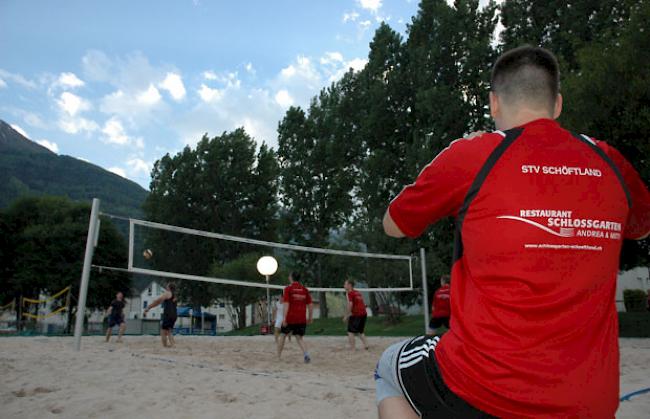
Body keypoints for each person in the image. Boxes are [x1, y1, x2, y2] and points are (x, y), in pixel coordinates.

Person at [376, 45, 650, 418]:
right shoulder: (608, 159)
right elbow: (640, 227)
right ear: (557, 105)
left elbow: (393, 224)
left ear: (494, 104)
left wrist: (451, 154)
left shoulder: (474, 154)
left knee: (388, 369)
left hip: (484, 389)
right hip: (590, 401)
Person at [276, 271, 313, 363]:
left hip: (290, 317)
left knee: (283, 335)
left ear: (291, 277)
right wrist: (310, 317)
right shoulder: (304, 289)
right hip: (301, 317)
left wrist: (284, 318)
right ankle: (306, 354)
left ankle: (278, 356)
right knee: (299, 337)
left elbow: (286, 304)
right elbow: (310, 305)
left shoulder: (288, 289)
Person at [144, 282, 177, 348]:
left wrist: (148, 307)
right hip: (174, 314)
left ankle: (165, 346)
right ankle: (173, 345)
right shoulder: (175, 295)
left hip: (168, 314)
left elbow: (158, 301)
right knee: (169, 331)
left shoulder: (167, 293)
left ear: (169, 287)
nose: (166, 287)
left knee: (163, 331)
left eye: (167, 286)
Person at [343, 279, 369, 351]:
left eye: (345, 284)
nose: (344, 286)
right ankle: (366, 345)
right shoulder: (357, 292)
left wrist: (347, 315)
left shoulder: (350, 293)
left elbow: (350, 304)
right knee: (360, 331)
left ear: (349, 285)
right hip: (364, 313)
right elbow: (362, 303)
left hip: (357, 314)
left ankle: (353, 348)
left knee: (350, 331)